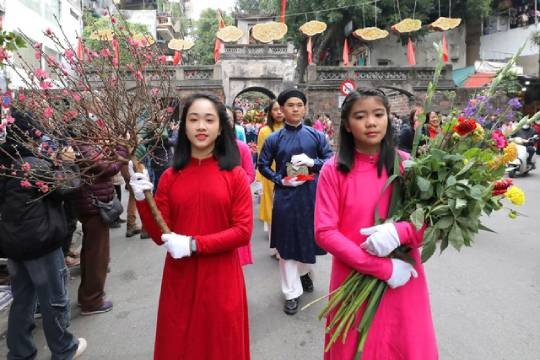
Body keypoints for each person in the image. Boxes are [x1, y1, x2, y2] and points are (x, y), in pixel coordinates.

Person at [314, 88, 437, 359]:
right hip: (353, 276)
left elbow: (430, 220)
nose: (371, 122)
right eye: (361, 116)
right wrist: (382, 267)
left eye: (378, 114)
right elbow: (324, 232)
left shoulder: (406, 166)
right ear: (347, 124)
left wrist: (402, 230)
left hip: (404, 278)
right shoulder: (332, 170)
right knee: (356, 347)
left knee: (403, 345)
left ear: (388, 118)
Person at [129, 94, 253, 359]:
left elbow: (243, 231)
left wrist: (194, 244)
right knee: (180, 345)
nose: (201, 126)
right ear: (183, 126)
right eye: (193, 119)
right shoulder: (171, 177)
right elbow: (160, 235)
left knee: (221, 346)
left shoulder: (235, 175)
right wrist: (142, 200)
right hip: (180, 280)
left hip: (222, 279)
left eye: (209, 120)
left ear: (220, 128)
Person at [0, 109, 87, 359]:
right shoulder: (32, 166)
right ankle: (64, 348)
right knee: (54, 300)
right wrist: (68, 163)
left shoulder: (5, 163)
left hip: (14, 244)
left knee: (23, 299)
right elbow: (68, 187)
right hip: (40, 243)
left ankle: (20, 351)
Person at [258, 88, 333, 315]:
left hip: (311, 195)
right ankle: (291, 292)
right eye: (290, 105)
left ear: (305, 108)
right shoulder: (273, 139)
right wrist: (280, 179)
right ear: (281, 109)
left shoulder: (317, 136)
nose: (295, 109)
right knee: (286, 245)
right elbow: (262, 165)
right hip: (286, 198)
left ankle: (303, 274)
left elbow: (330, 162)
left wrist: (313, 162)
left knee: (306, 239)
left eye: (299, 105)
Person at [75, 119, 128, 316]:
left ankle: (87, 296)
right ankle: (92, 300)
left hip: (92, 205)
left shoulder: (85, 146)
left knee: (91, 253)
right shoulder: (84, 147)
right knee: (97, 256)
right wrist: (122, 149)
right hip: (94, 206)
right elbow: (108, 169)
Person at [226, 106, 255, 266]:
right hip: (215, 205)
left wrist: (233, 184)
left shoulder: (241, 147)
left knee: (235, 254)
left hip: (237, 202)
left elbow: (250, 174)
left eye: (228, 119)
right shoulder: (204, 150)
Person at [256, 100, 285, 258]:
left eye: (281, 109)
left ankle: (284, 245)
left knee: (285, 210)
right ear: (270, 112)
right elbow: (261, 157)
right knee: (272, 210)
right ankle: (275, 246)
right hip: (270, 175)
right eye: (276, 109)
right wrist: (260, 180)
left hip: (288, 173)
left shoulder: (290, 129)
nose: (279, 112)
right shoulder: (264, 131)